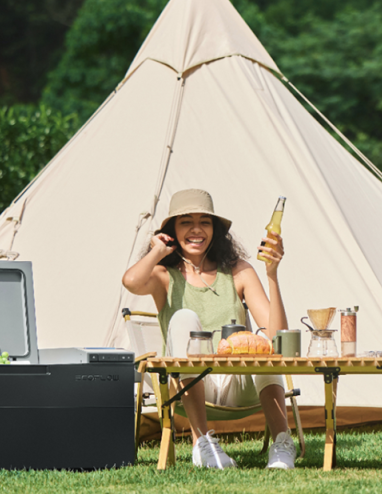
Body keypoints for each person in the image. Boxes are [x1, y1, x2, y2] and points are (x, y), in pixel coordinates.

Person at [122, 188, 298, 470]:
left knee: (265, 345)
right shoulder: (164, 275)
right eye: (185, 222)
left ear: (215, 230)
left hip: (237, 382)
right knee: (184, 317)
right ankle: (202, 443)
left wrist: (272, 274)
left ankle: (282, 443)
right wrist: (157, 250)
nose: (196, 229)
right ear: (172, 231)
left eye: (204, 222)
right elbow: (131, 281)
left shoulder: (238, 271)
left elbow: (278, 335)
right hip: (187, 384)